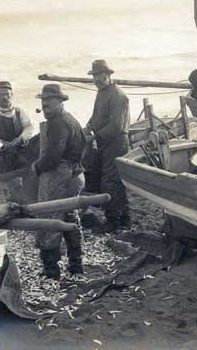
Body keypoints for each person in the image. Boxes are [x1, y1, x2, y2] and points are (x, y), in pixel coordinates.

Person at [31, 84, 86, 280]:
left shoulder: (57, 123)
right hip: (76, 173)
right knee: (70, 216)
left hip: (60, 174)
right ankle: (76, 265)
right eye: (43, 101)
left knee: (49, 218)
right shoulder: (70, 119)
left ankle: (51, 271)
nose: (45, 105)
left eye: (49, 101)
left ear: (60, 101)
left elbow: (53, 157)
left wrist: (37, 167)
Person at [85, 59, 131, 232]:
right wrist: (88, 126)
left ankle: (114, 221)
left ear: (108, 75)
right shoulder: (102, 91)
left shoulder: (118, 95)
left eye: (99, 75)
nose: (96, 79)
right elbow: (97, 114)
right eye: (94, 75)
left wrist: (94, 136)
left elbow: (116, 126)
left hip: (117, 143)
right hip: (105, 143)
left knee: (110, 181)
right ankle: (124, 219)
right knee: (112, 180)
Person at [0, 81, 34, 174]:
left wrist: (21, 138)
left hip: (22, 154)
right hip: (3, 157)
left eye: (7, 94)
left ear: (12, 95)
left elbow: (29, 127)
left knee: (26, 182)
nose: (5, 97)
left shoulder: (20, 111)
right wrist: (1, 144)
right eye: (1, 95)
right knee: (6, 185)